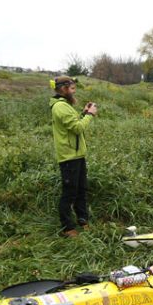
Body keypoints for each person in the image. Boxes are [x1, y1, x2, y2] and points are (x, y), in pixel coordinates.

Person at [49, 76, 96, 238]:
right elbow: (77, 128)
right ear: (63, 89)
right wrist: (90, 115)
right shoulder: (60, 107)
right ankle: (67, 227)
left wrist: (83, 113)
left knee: (81, 190)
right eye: (72, 87)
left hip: (77, 155)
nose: (74, 90)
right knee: (69, 192)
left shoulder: (66, 106)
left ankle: (83, 220)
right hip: (69, 157)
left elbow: (73, 123)